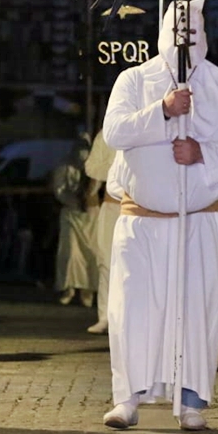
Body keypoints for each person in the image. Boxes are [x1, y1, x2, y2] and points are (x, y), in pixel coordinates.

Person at [101, 0, 218, 431]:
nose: (184, 42)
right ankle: (128, 398)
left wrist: (205, 154)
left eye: (192, 33)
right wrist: (162, 112)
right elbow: (114, 131)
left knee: (196, 311)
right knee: (131, 309)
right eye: (177, 32)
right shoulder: (134, 80)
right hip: (141, 223)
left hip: (200, 222)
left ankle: (191, 401)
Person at [52, 143, 98, 307]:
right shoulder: (64, 166)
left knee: (90, 253)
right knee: (71, 252)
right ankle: (69, 288)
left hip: (91, 217)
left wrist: (89, 199)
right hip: (72, 214)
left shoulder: (96, 166)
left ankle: (88, 290)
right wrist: (74, 201)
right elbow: (59, 190)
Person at [83, 127, 117, 333]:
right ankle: (105, 316)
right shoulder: (107, 133)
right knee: (106, 261)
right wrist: (118, 167)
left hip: (145, 210)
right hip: (113, 204)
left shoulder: (152, 126)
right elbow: (91, 167)